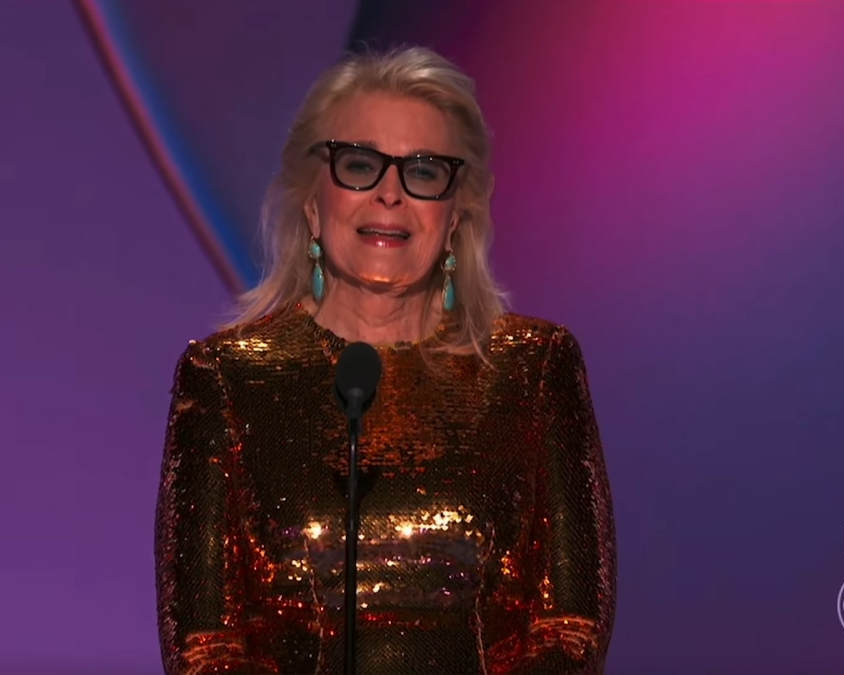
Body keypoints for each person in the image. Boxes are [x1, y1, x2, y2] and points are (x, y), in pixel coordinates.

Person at [155, 45, 616, 674]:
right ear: (313, 204)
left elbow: (570, 631)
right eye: (360, 164)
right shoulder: (226, 380)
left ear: (457, 216)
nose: (390, 195)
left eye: (424, 172)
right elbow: (204, 649)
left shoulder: (533, 369)